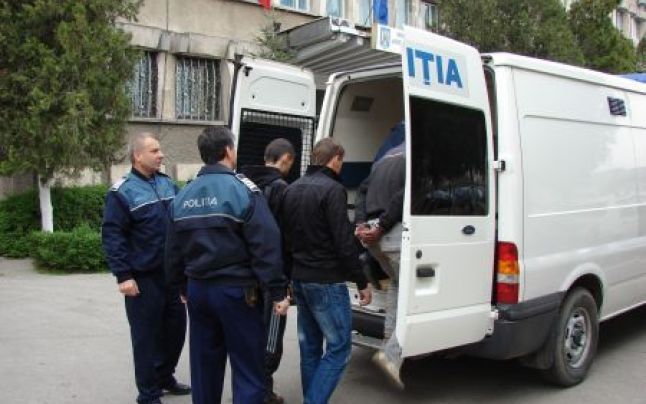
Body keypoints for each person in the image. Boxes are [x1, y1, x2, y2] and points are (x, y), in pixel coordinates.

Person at [165, 126, 290, 404]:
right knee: (247, 368)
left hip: (198, 291)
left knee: (204, 367)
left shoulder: (183, 196)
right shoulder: (243, 191)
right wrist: (278, 291)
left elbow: (172, 251)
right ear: (228, 151)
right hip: (237, 292)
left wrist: (181, 287)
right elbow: (266, 245)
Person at [281, 137, 372, 404]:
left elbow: (286, 238)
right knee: (339, 348)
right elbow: (343, 243)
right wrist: (361, 280)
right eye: (341, 161)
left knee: (310, 348)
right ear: (335, 159)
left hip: (300, 278)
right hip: (326, 281)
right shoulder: (333, 189)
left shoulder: (292, 189)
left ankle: (313, 398)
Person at [101, 132, 190, 404]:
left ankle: (164, 377)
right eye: (154, 151)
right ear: (137, 156)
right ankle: (148, 394)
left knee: (176, 332)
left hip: (172, 276)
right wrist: (123, 275)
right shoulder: (122, 192)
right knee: (146, 338)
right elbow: (112, 235)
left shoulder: (167, 184)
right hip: (143, 279)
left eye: (160, 150)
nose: (161, 155)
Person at [238, 138, 295, 404]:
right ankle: (261, 392)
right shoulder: (281, 188)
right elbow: (287, 237)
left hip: (244, 275)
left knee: (251, 335)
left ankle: (255, 389)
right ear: (286, 159)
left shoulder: (243, 185)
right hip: (272, 277)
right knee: (271, 339)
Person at [355, 142, 406, 389]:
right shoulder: (415, 155)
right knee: (415, 295)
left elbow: (362, 191)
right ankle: (391, 355)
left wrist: (361, 223)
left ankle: (387, 342)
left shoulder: (386, 156)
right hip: (392, 231)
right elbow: (405, 194)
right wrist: (383, 225)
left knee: (397, 283)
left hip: (374, 238)